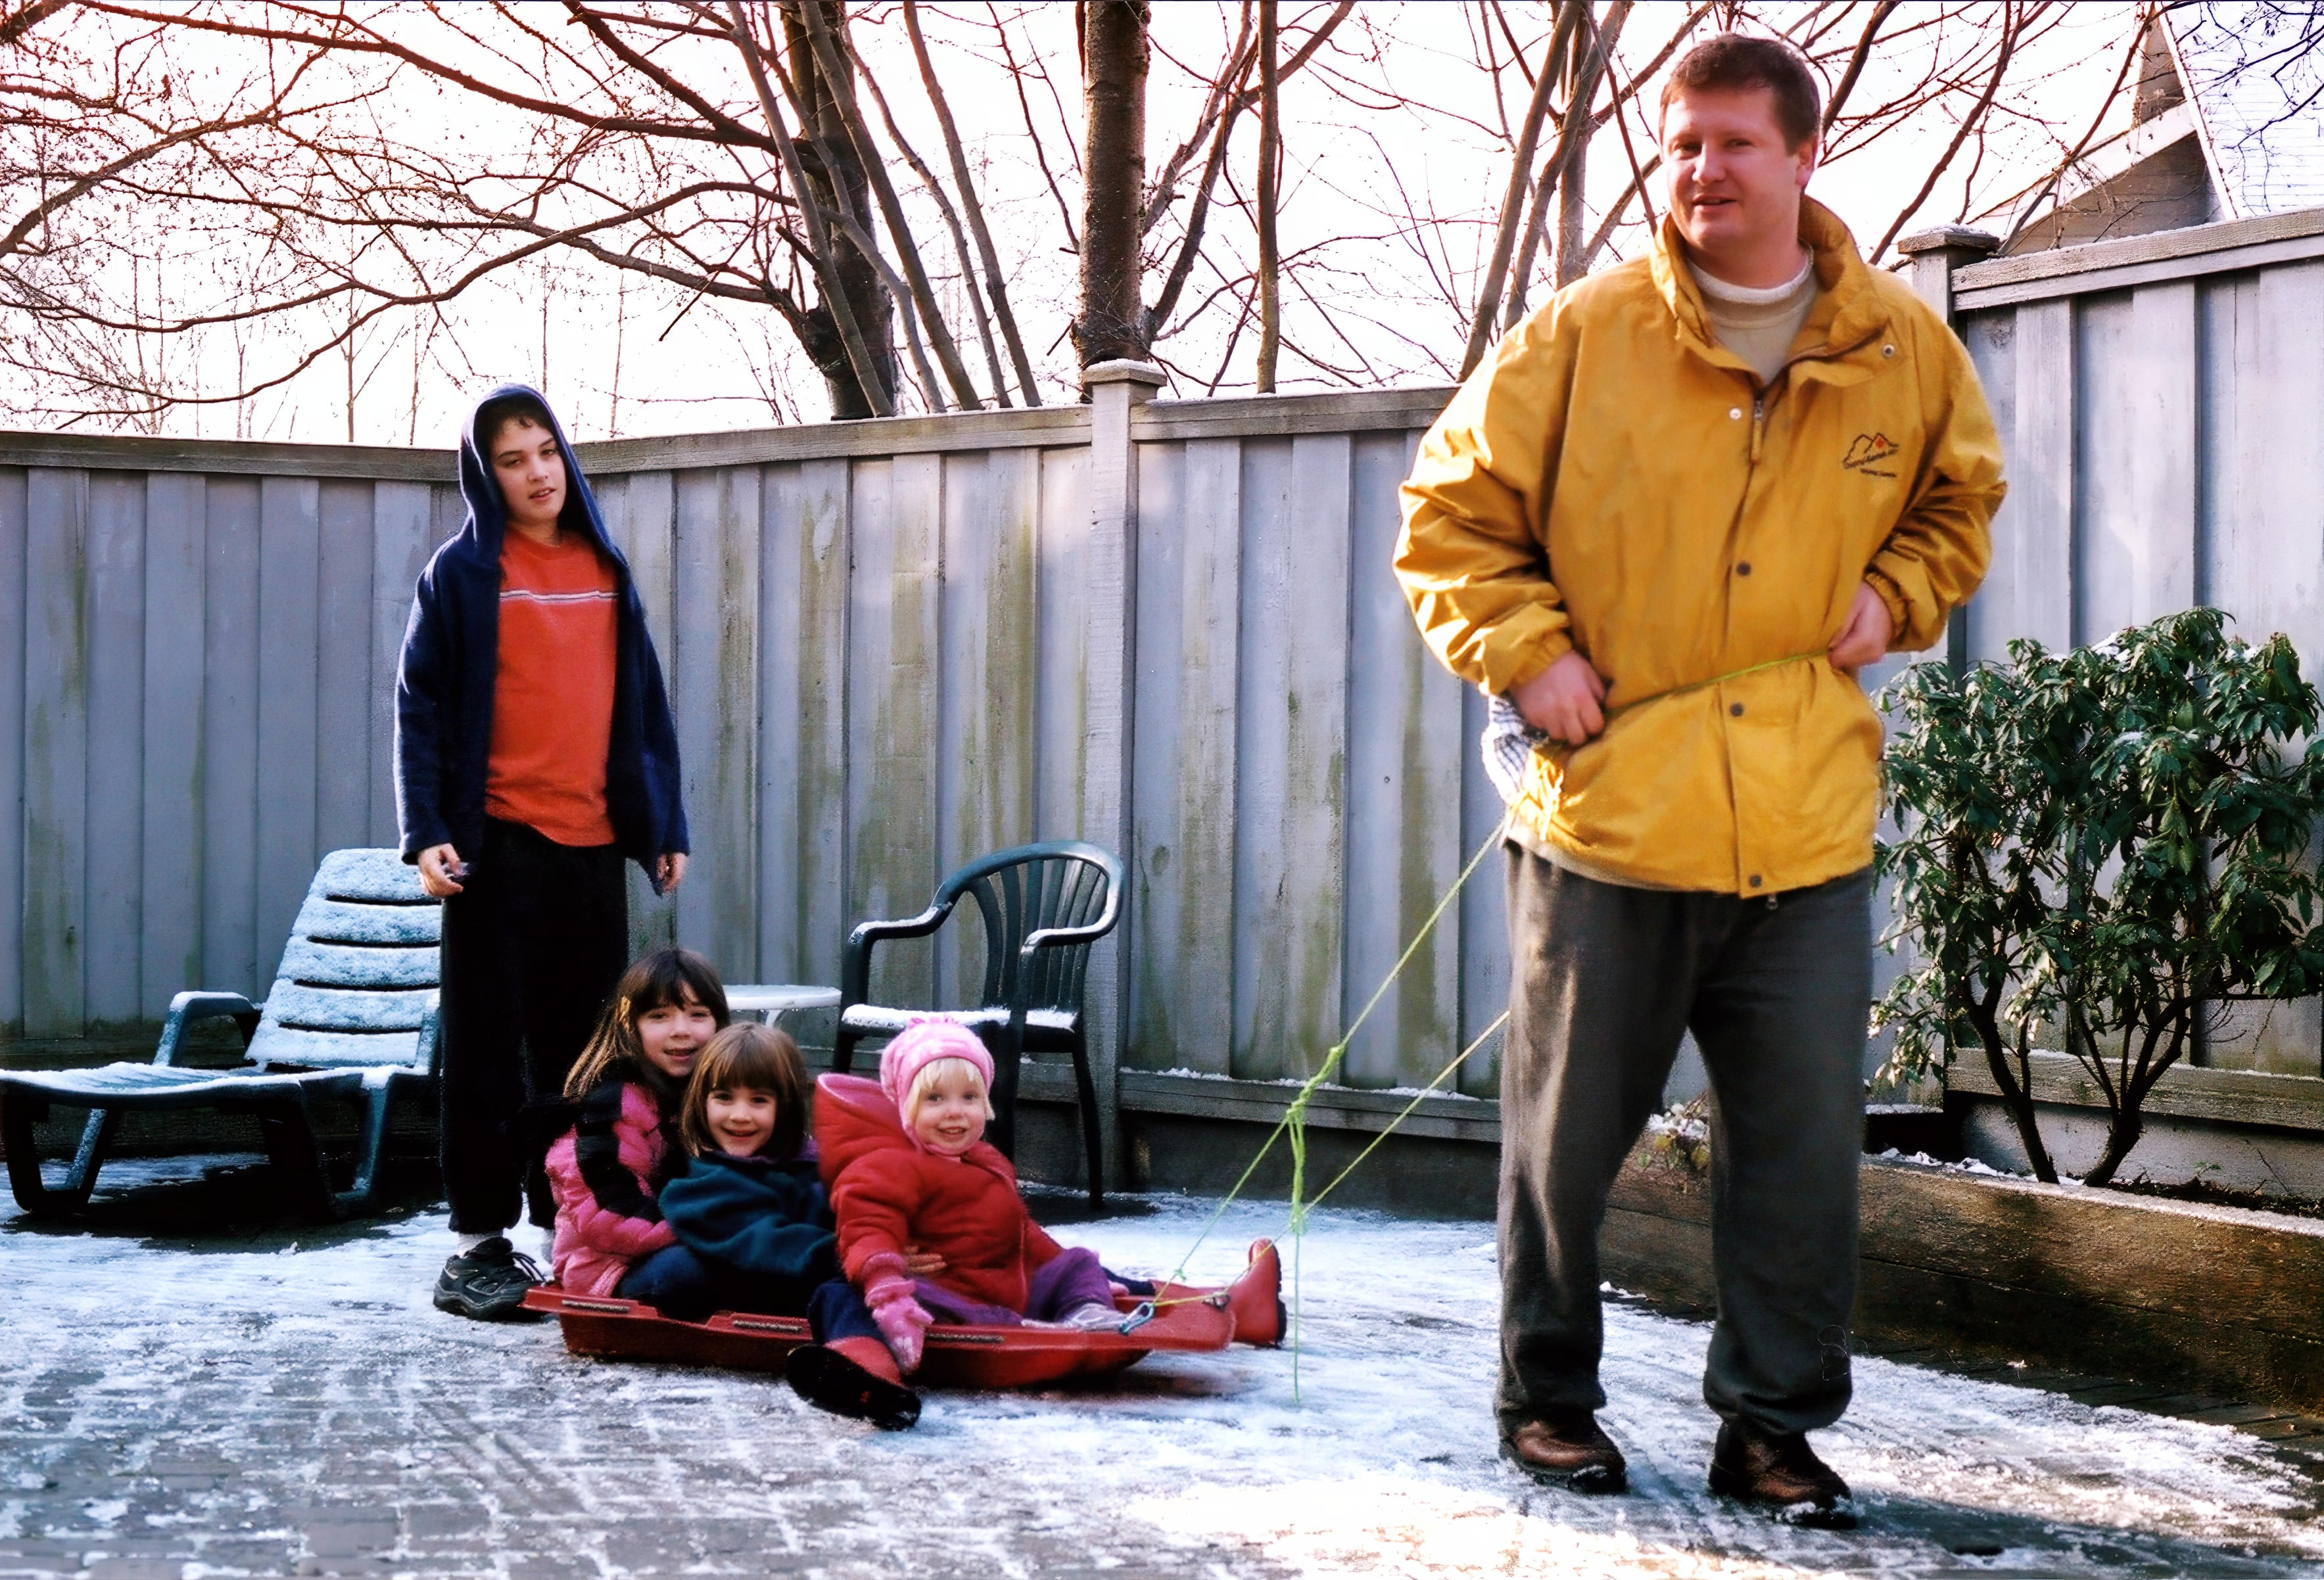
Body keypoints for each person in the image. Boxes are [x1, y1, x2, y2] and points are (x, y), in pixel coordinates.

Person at [1394, 34, 2004, 1527]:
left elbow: (1958, 502)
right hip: (1611, 824)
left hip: (1806, 829)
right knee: (1563, 1150)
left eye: (1734, 143)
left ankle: (1773, 1429)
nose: (1702, 171)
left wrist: (1899, 595)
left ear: (1803, 154)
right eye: (1680, 145)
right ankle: (1547, 1399)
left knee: (1799, 1161)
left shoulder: (1902, 349)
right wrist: (1528, 652)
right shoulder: (1581, 335)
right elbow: (1447, 519)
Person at [396, 383, 690, 1321]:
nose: (535, 473)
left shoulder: (605, 568)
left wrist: (662, 827)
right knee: (485, 1052)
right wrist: (427, 831)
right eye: (511, 460)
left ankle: (571, 1222)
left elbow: (643, 706)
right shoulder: (461, 573)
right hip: (494, 850)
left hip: (591, 850)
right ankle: (477, 1243)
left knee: (587, 1057)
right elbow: (420, 707)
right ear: (485, 475)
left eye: (545, 452)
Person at [782, 1020, 1122, 1429]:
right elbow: (868, 1224)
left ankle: (1087, 1310)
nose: (955, 1111)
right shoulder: (891, 1164)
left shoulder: (988, 1163)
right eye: (935, 1098)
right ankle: (868, 1369)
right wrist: (888, 1287)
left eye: (969, 1097)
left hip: (1000, 1289)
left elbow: (1023, 1235)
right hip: (941, 1298)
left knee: (1078, 1261)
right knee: (847, 1295)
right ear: (905, 1105)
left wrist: (1089, 1278)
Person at [541, 948, 726, 1303]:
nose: (681, 1031)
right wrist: (719, 1227)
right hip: (614, 1265)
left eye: (698, 1015)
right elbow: (613, 1218)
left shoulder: (721, 1093)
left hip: (698, 1236)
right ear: (630, 1026)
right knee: (691, 1271)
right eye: (659, 1016)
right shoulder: (607, 1108)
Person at [625, 1023, 843, 1322]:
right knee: (677, 1271)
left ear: (785, 1107)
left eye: (759, 1100)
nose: (740, 1115)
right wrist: (846, 1256)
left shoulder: (806, 1165)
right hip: (717, 1280)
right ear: (703, 1102)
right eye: (724, 1098)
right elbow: (760, 1238)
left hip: (788, 1280)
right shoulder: (701, 1183)